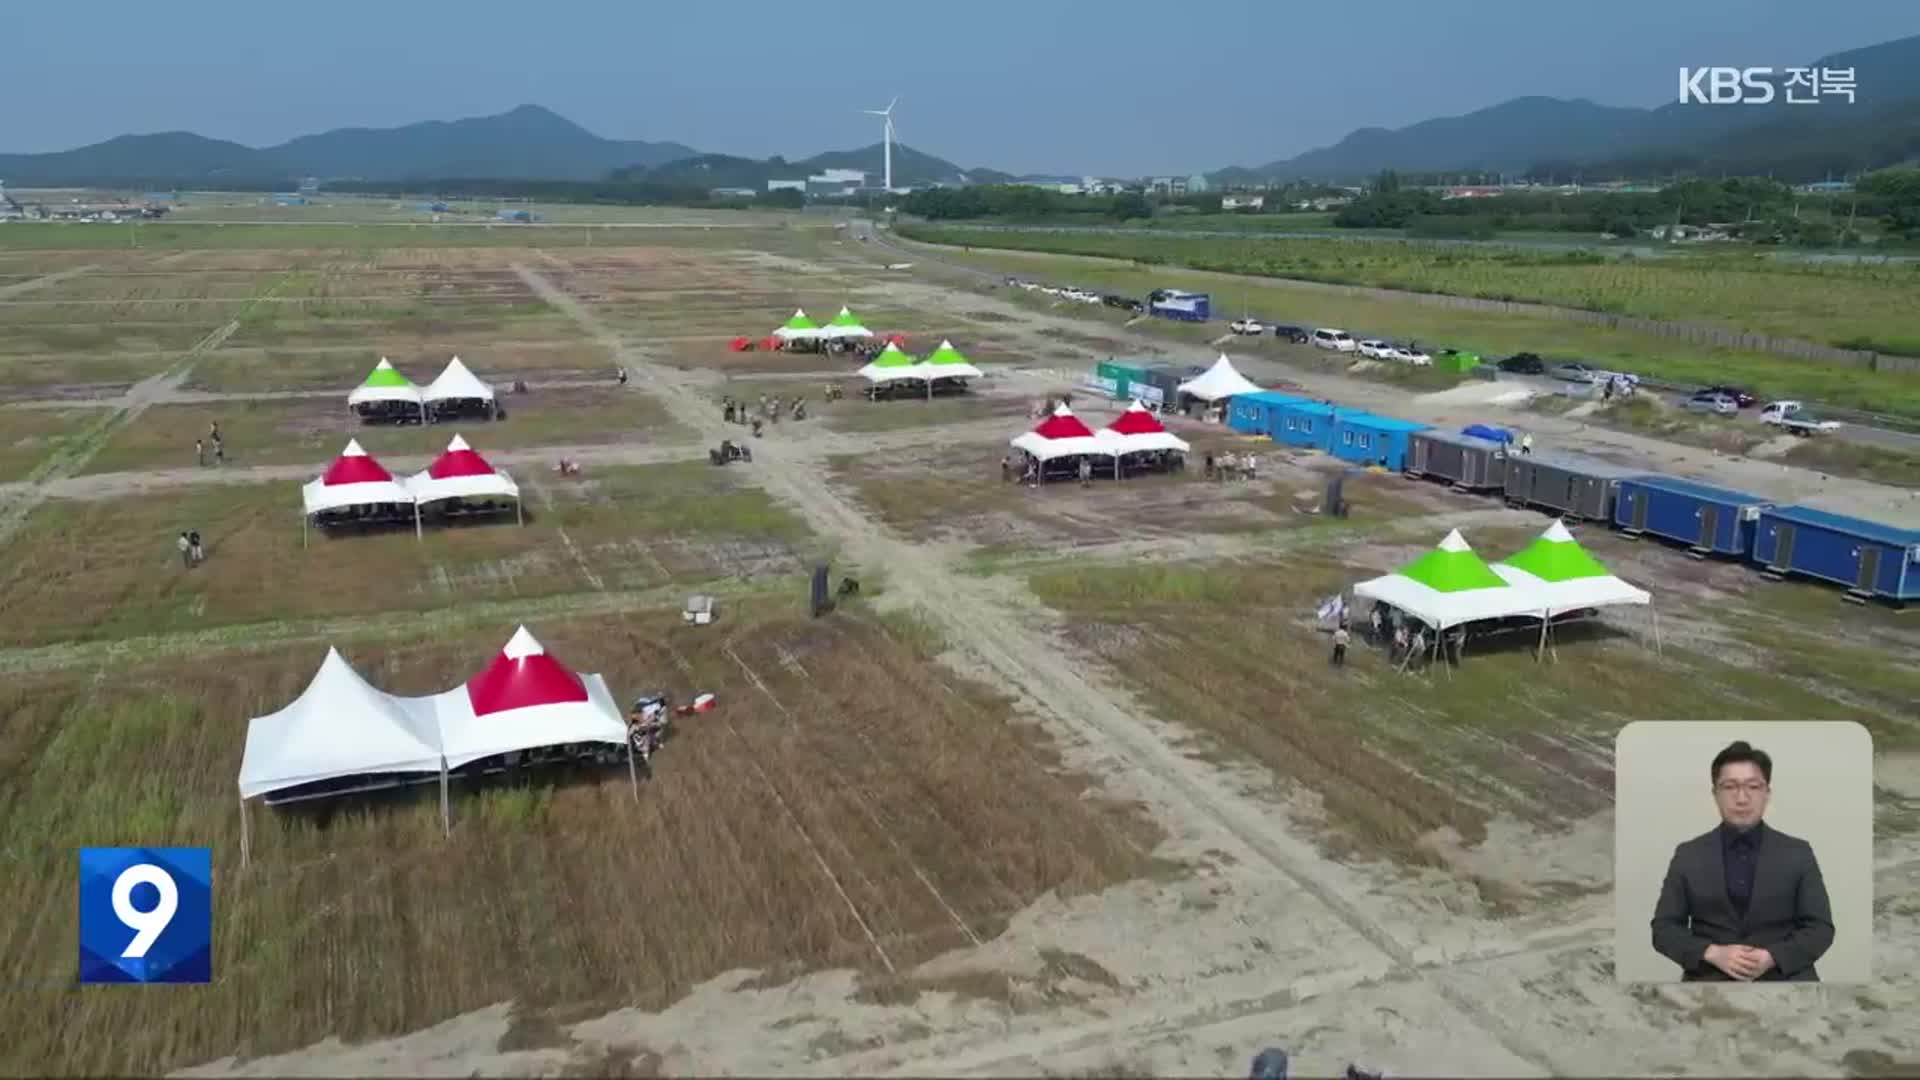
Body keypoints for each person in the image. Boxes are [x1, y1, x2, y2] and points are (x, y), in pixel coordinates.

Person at [1650, 740, 1834, 982]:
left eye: (1753, 786)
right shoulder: (1688, 854)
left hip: (1788, 984)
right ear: (1715, 793)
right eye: (1729, 787)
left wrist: (1772, 957)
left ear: (1767, 792)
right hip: (1709, 984)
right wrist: (1712, 953)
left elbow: (1820, 929)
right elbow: (1663, 929)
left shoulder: (1798, 852)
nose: (1742, 798)